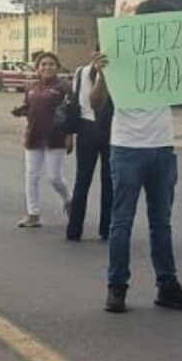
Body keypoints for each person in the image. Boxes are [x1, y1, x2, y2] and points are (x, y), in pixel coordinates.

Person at [90, 52, 182, 314]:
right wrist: (102, 74)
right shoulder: (117, 59)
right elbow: (96, 103)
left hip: (162, 147)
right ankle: (116, 285)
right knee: (121, 222)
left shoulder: (169, 60)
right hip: (127, 147)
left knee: (161, 222)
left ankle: (167, 285)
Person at [12, 52, 73, 228]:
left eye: (51, 64)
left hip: (56, 136)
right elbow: (29, 107)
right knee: (31, 175)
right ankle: (33, 213)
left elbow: (71, 114)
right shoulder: (31, 87)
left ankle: (68, 199)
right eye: (43, 64)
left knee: (55, 177)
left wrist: (70, 135)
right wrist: (20, 111)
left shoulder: (64, 87)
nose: (47, 67)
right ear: (37, 68)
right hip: (34, 135)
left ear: (58, 67)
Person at [65, 56, 114, 241]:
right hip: (97, 128)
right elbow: (73, 101)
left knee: (88, 180)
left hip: (94, 128)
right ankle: (104, 228)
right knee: (94, 180)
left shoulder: (80, 71)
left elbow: (74, 101)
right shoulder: (82, 72)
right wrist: (69, 134)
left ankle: (76, 229)